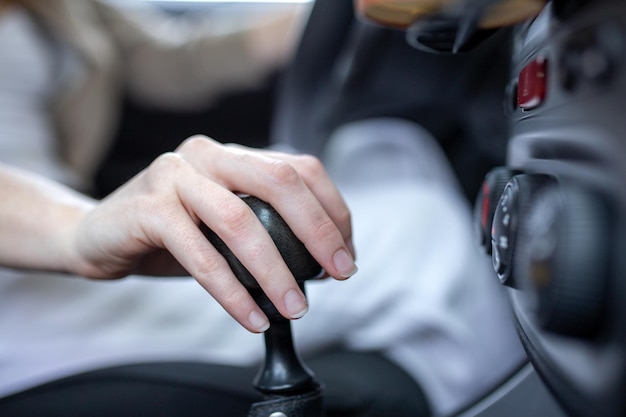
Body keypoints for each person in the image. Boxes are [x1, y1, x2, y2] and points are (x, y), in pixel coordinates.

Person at [0, 0, 526, 416]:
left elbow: (163, 61)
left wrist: (325, 15)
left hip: (62, 235)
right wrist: (77, 229)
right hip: (30, 276)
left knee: (360, 163)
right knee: (423, 231)